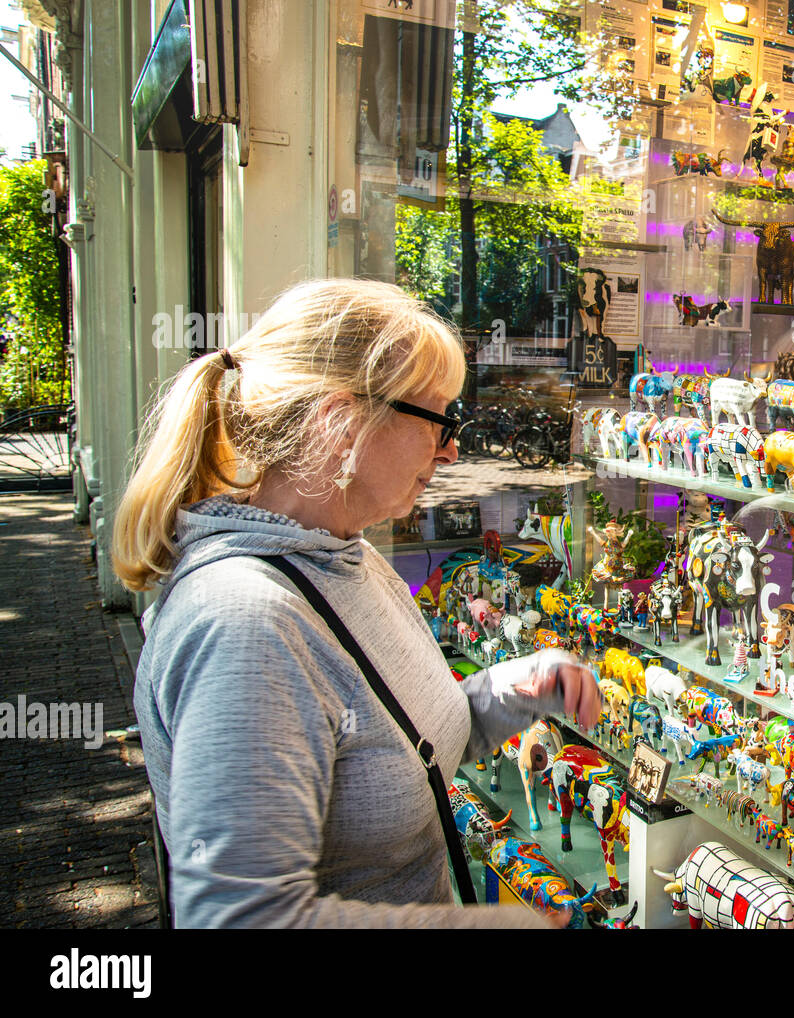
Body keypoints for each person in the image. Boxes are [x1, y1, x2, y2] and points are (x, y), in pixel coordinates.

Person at [112, 278, 600, 928]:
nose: (453, 449)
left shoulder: (347, 557)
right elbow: (239, 917)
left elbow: (402, 751)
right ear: (341, 423)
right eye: (439, 421)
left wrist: (509, 692)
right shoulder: (246, 624)